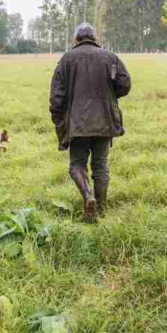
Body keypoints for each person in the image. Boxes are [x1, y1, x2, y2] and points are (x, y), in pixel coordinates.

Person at [49, 23, 131, 221]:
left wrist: (60, 121)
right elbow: (125, 84)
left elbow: (56, 98)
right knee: (101, 166)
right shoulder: (110, 57)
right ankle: (101, 209)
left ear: (76, 39)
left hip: (77, 124)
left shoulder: (66, 59)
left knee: (76, 165)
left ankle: (88, 196)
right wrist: (109, 94)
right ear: (95, 38)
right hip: (105, 121)